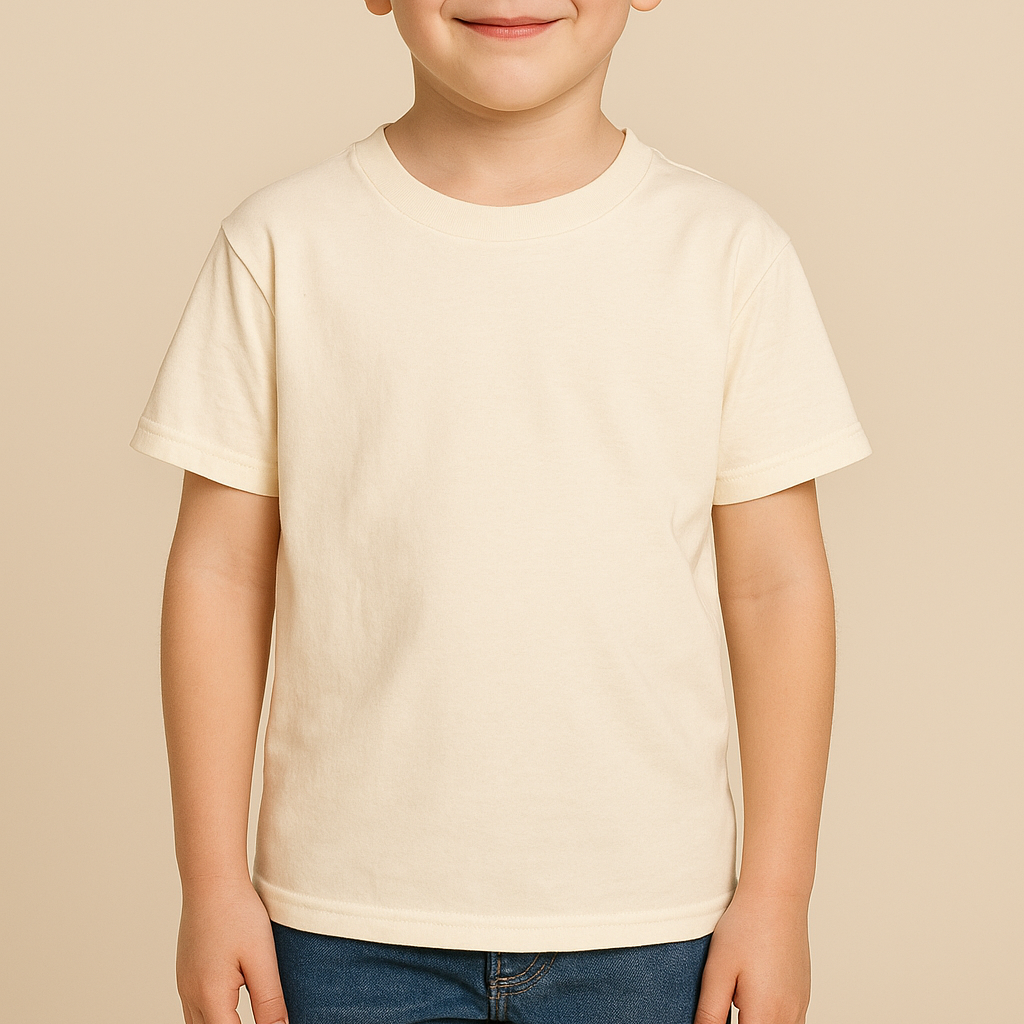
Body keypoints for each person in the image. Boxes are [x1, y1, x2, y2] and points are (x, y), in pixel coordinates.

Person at [129, 2, 872, 1022]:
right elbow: (219, 573)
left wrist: (779, 893)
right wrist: (211, 884)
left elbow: (776, 585)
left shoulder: (726, 253)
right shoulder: (283, 246)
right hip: (341, 929)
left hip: (648, 930)